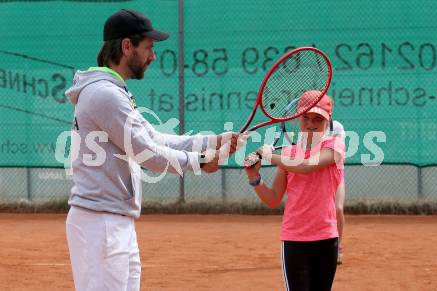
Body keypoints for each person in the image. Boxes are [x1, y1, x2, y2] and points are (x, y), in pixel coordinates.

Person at [65, 9, 243, 291]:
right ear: (126, 46)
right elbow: (148, 153)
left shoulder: (115, 91)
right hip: (101, 223)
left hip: (114, 220)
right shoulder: (105, 94)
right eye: (148, 47)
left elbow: (155, 138)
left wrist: (212, 142)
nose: (153, 56)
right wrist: (198, 162)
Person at [244, 91, 345, 291]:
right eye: (305, 117)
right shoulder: (288, 154)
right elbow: (273, 199)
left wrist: (270, 156)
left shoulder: (335, 146)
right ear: (297, 118)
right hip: (294, 240)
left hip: (327, 238)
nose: (310, 124)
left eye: (318, 118)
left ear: (328, 120)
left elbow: (307, 166)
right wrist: (253, 177)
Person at [327, 119, 346, 265]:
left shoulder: (337, 127)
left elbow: (337, 154)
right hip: (315, 176)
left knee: (338, 209)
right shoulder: (306, 129)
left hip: (336, 174)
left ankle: (338, 246)